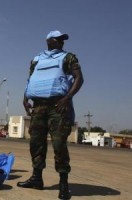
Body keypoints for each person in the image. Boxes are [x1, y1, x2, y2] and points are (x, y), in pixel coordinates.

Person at [17, 30, 84, 200]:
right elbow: (30, 80)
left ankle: (63, 184)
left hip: (58, 106)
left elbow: (79, 78)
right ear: (49, 40)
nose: (62, 42)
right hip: (38, 107)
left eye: (63, 40)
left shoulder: (68, 57)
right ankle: (36, 178)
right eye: (58, 39)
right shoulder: (37, 59)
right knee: (36, 143)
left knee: (59, 144)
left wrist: (67, 98)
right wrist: (25, 99)